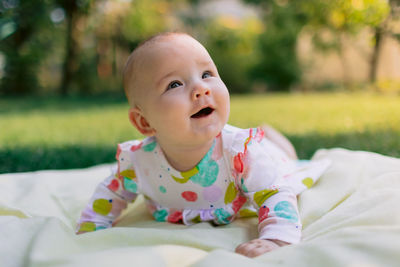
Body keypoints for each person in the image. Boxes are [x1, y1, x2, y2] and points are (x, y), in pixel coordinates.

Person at [76, 32, 330, 258]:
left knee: (283, 159)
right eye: (174, 84)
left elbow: (274, 193)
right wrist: (92, 227)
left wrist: (275, 238)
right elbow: (109, 195)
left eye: (207, 74)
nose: (200, 88)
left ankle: (276, 141)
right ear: (144, 121)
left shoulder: (239, 152)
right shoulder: (138, 161)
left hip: (268, 164)